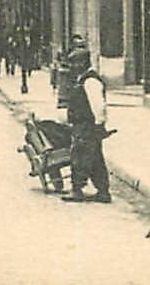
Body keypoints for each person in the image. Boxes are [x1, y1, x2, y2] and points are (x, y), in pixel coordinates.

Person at [61, 48, 111, 203]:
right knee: (95, 158)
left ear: (83, 62)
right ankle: (103, 192)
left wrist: (99, 124)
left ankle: (77, 189)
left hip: (86, 126)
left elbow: (98, 105)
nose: (72, 66)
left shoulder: (90, 81)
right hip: (83, 125)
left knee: (80, 157)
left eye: (75, 63)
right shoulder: (82, 79)